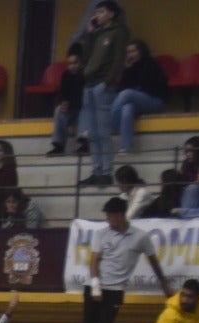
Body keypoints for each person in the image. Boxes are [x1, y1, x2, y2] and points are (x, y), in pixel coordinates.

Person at [81, 196, 171, 323]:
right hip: (95, 286)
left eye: (110, 216)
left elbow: (153, 260)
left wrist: (163, 283)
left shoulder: (140, 237)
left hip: (115, 289)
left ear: (120, 215)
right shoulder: (101, 234)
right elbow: (94, 261)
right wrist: (96, 287)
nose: (108, 220)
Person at [78, 1, 128, 187]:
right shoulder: (98, 33)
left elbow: (118, 60)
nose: (97, 15)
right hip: (89, 84)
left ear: (111, 14)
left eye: (101, 11)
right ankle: (96, 170)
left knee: (103, 132)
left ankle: (107, 171)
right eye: (96, 11)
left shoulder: (119, 32)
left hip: (102, 85)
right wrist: (90, 34)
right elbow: (86, 57)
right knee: (92, 133)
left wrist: (107, 82)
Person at [112, 39, 168, 157]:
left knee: (127, 94)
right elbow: (121, 88)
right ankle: (125, 147)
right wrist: (127, 69)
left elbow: (145, 85)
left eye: (133, 51)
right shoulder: (130, 67)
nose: (130, 55)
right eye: (128, 52)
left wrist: (132, 69)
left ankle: (109, 127)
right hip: (136, 101)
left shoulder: (151, 63)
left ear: (141, 51)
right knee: (127, 108)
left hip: (155, 100)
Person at [47, 45, 87, 156]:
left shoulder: (85, 75)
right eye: (70, 63)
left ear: (81, 63)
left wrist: (69, 102)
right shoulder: (65, 75)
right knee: (58, 110)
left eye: (75, 63)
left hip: (81, 110)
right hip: (71, 110)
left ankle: (84, 143)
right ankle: (59, 145)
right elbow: (62, 93)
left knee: (86, 108)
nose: (72, 66)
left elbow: (81, 97)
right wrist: (62, 102)